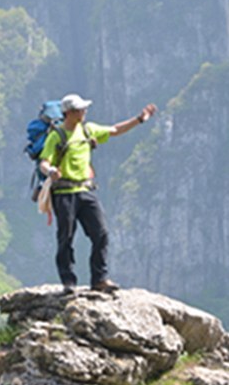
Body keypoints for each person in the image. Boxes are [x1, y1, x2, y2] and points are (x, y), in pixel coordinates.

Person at [39, 93, 157, 294]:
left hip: (86, 190)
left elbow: (115, 130)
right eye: (81, 109)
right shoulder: (56, 136)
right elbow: (44, 162)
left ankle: (99, 279)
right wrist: (51, 171)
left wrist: (139, 120)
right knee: (65, 237)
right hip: (64, 193)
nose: (85, 112)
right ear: (70, 113)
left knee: (101, 234)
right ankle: (68, 281)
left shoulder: (88, 129)